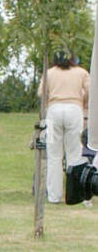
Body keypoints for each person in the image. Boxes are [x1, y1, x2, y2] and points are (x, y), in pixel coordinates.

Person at [39, 50, 90, 204]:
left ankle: (54, 196)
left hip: (54, 110)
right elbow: (89, 90)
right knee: (74, 153)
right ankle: (76, 194)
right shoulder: (81, 72)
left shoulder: (50, 73)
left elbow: (41, 93)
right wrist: (83, 101)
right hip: (74, 110)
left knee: (54, 155)